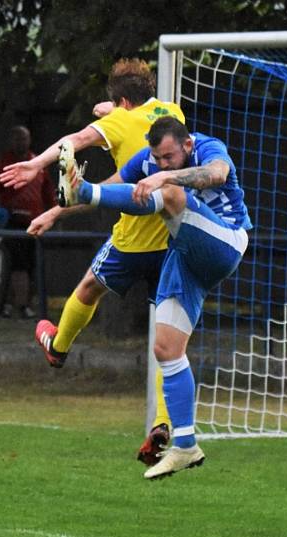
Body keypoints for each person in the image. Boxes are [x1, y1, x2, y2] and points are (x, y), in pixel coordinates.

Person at [0, 58, 183, 462]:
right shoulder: (172, 114)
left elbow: (75, 140)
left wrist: (35, 164)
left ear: (119, 100)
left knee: (88, 287)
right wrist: (56, 211)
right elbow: (116, 174)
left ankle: (58, 347)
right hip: (171, 242)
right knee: (169, 339)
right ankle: (165, 421)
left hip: (133, 241)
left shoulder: (117, 124)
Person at [58, 115, 250, 480]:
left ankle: (82, 191)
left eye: (169, 157)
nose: (161, 164)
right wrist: (61, 205)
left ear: (187, 145)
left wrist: (165, 178)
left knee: (172, 195)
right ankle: (186, 446)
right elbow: (116, 185)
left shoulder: (207, 147)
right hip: (186, 254)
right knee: (166, 349)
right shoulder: (146, 162)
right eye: (157, 159)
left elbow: (217, 174)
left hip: (226, 241)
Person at [0, 125, 56, 318]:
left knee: (31, 265)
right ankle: (18, 305)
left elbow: (48, 192)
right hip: (13, 222)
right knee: (16, 265)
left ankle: (24, 303)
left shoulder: (38, 163)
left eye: (23, 138)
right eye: (16, 138)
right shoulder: (5, 163)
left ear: (29, 140)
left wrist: (55, 213)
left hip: (35, 221)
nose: (20, 142)